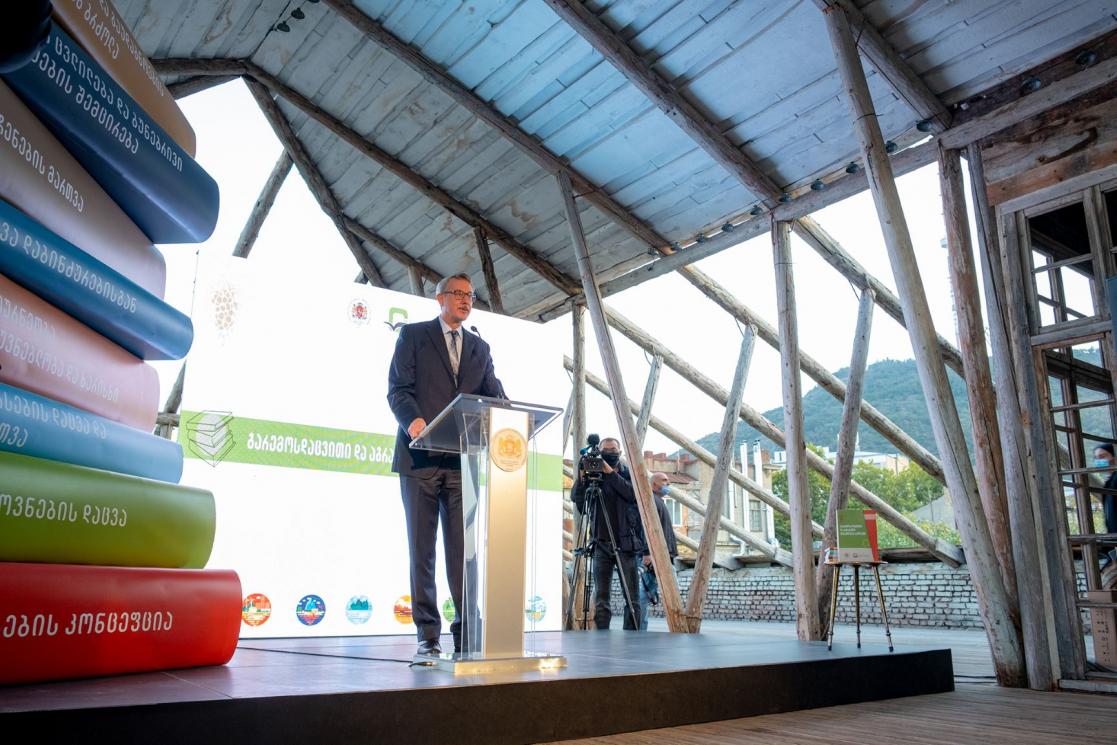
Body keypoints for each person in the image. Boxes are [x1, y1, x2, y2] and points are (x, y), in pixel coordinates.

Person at [387, 273, 505, 657]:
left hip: (461, 462)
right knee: (422, 550)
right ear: (439, 298)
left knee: (463, 553)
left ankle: (467, 633)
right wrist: (414, 422)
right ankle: (428, 633)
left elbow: (495, 393)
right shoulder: (413, 336)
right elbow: (398, 390)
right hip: (419, 458)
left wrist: (509, 415)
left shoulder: (479, 347)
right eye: (458, 293)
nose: (465, 300)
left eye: (470, 295)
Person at [571, 437, 643, 630]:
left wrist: (610, 473)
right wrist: (582, 476)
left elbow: (632, 495)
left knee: (632, 598)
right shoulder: (594, 475)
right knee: (601, 599)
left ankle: (633, 637)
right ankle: (601, 637)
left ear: (619, 452)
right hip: (600, 543)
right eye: (605, 450)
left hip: (625, 544)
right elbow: (580, 504)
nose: (609, 453)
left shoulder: (628, 473)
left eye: (613, 449)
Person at [639, 472, 678, 630]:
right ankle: (640, 629)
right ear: (654, 484)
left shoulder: (658, 501)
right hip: (655, 556)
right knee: (644, 594)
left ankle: (640, 628)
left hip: (662, 555)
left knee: (646, 593)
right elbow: (646, 528)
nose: (668, 484)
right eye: (664, 480)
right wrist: (647, 552)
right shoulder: (652, 501)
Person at [1094, 444, 1117, 567]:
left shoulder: (1115, 480)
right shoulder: (1110, 481)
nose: (1099, 461)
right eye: (1097, 458)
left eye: (1103, 456)